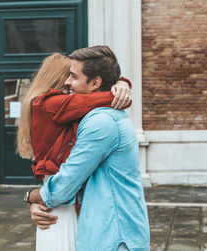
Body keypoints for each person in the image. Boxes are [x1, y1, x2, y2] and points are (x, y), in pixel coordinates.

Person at [28, 46, 150, 251]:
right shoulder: (92, 116)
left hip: (113, 237)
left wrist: (31, 196)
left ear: (95, 83)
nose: (67, 82)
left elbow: (64, 186)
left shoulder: (101, 122)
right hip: (106, 233)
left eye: (74, 77)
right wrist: (121, 84)